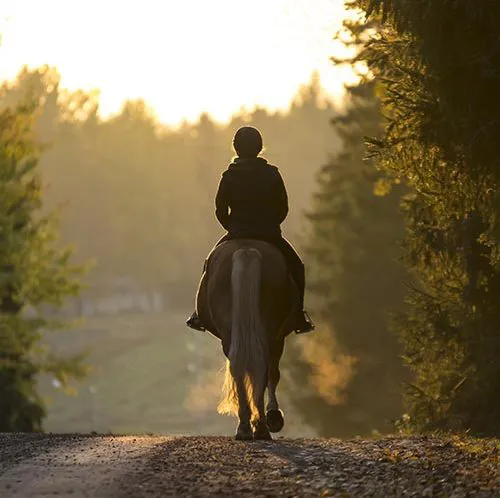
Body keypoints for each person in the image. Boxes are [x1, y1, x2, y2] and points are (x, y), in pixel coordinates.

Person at [186, 126, 315, 334]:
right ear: (260, 148)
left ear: (235, 148)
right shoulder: (272, 174)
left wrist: (233, 228)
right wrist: (270, 225)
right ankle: (299, 316)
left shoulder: (229, 175)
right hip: (269, 234)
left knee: (209, 266)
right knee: (296, 266)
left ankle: (199, 315)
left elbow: (220, 209)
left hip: (237, 233)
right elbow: (283, 207)